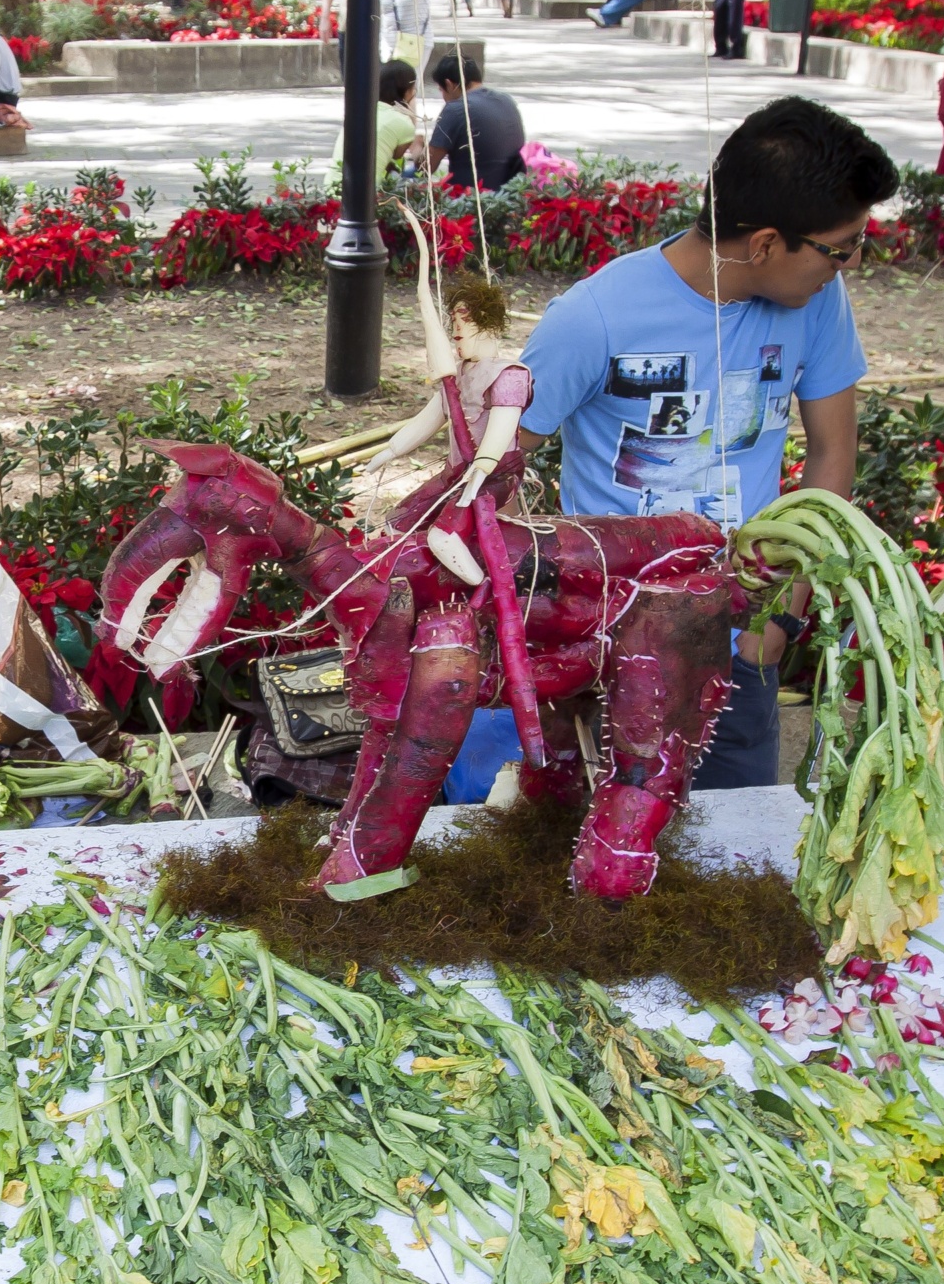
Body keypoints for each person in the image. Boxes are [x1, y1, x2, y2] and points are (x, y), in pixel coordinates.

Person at [506, 96, 895, 791]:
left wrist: (784, 613)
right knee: (592, 834)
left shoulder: (820, 303)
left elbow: (832, 458)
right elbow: (493, 466)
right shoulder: (593, 317)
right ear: (767, 243)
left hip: (741, 632)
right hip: (606, 632)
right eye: (840, 249)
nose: (853, 262)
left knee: (728, 840)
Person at [425, 53, 524, 191]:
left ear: (449, 84)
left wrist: (417, 147)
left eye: (441, 90)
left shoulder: (456, 108)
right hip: (511, 193)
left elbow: (427, 167)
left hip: (471, 199)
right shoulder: (507, 100)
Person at [330, 56, 419, 180]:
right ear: (407, 91)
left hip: (331, 187)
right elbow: (397, 163)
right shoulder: (403, 123)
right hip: (365, 196)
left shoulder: (360, 110)